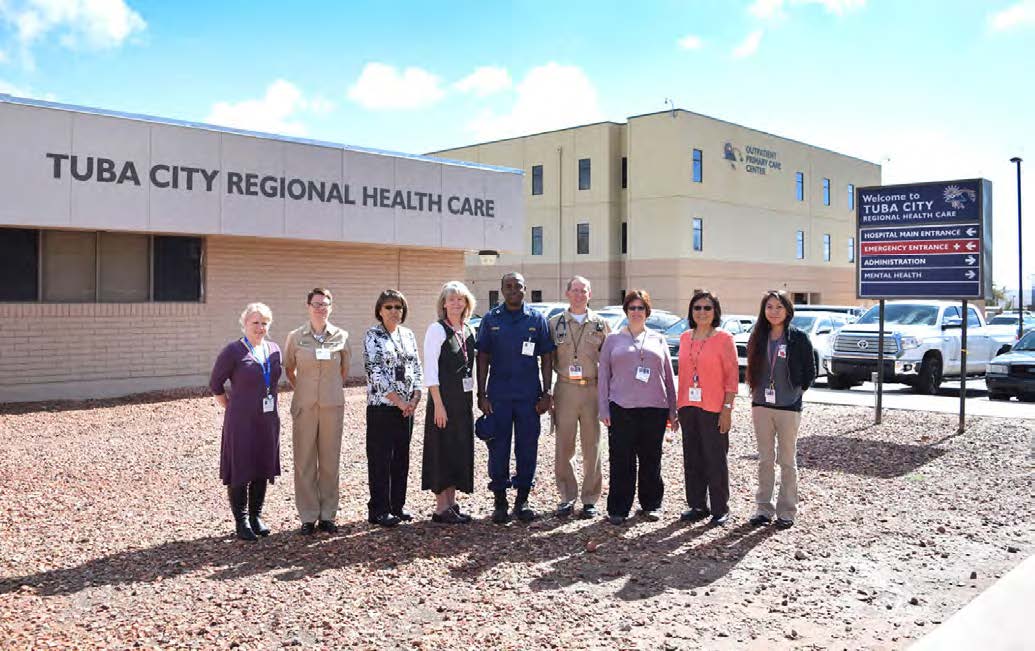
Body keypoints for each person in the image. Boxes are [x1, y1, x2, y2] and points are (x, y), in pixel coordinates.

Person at [476, 272, 555, 524]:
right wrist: (481, 393)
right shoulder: (491, 319)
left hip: (528, 397)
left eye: (517, 286)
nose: (513, 290)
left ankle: (523, 500)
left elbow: (547, 357)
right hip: (498, 396)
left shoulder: (536, 319)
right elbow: (482, 358)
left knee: (527, 447)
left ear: (525, 289)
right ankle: (499, 499)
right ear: (501, 290)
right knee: (498, 448)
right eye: (508, 287)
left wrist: (546, 393)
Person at [597, 290, 678, 525]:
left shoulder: (658, 339)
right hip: (621, 408)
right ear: (626, 311)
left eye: (640, 308)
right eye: (632, 308)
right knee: (621, 459)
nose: (636, 312)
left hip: (654, 407)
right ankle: (619, 508)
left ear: (647, 312)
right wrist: (604, 408)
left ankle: (651, 504)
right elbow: (603, 376)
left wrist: (673, 410)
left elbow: (668, 376)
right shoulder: (612, 340)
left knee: (651, 458)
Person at [209, 302, 282, 541]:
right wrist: (230, 406)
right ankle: (240, 521)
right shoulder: (233, 351)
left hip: (267, 418)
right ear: (244, 324)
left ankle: (256, 516)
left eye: (264, 323)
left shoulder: (273, 350)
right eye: (255, 323)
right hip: (241, 420)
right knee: (241, 465)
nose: (260, 327)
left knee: (262, 463)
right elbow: (215, 384)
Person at [745, 290, 815, 530]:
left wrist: (796, 393)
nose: (774, 312)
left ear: (788, 310)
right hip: (761, 406)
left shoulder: (798, 338)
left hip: (788, 407)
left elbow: (810, 371)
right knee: (765, 459)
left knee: (787, 460)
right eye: (769, 307)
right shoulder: (758, 337)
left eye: (779, 307)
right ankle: (763, 508)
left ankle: (787, 511)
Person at [283, 289, 351, 535]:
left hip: (332, 407)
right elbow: (289, 369)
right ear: (308, 306)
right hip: (305, 407)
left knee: (330, 461)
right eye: (316, 304)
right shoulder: (295, 337)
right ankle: (308, 516)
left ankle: (328, 515)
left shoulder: (341, 336)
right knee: (304, 461)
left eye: (325, 304)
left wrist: (329, 389)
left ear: (331, 307)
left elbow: (343, 369)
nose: (320, 308)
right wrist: (303, 389)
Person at [549, 276, 610, 519]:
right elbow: (547, 359)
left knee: (592, 445)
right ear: (567, 293)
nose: (578, 295)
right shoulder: (555, 324)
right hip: (565, 388)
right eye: (574, 290)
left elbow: (609, 361)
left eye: (583, 291)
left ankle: (590, 498)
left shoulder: (601, 324)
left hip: (592, 389)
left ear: (590, 294)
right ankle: (567, 496)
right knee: (564, 444)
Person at [676, 290, 739, 526]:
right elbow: (682, 375)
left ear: (715, 312)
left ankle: (720, 508)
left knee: (715, 459)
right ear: (691, 312)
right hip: (688, 405)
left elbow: (732, 378)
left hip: (714, 407)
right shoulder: (684, 338)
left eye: (707, 308)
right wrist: (677, 406)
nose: (702, 312)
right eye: (697, 308)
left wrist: (727, 409)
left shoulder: (724, 339)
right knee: (692, 457)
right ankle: (697, 504)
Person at [364, 289, 423, 527]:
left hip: (406, 409)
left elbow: (416, 367)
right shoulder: (373, 335)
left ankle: (397, 505)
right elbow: (375, 372)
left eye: (398, 307)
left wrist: (415, 398)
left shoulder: (407, 335)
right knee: (381, 459)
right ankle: (379, 509)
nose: (394, 311)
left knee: (401, 459)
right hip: (383, 407)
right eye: (388, 307)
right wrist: (398, 401)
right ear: (380, 310)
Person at [422, 281, 478, 524]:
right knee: (441, 450)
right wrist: (438, 404)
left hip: (462, 402)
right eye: (451, 299)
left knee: (458, 449)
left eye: (460, 299)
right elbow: (431, 371)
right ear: (443, 303)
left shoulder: (468, 330)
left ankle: (452, 504)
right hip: (442, 401)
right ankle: (440, 508)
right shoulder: (436, 330)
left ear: (467, 303)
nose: (456, 303)